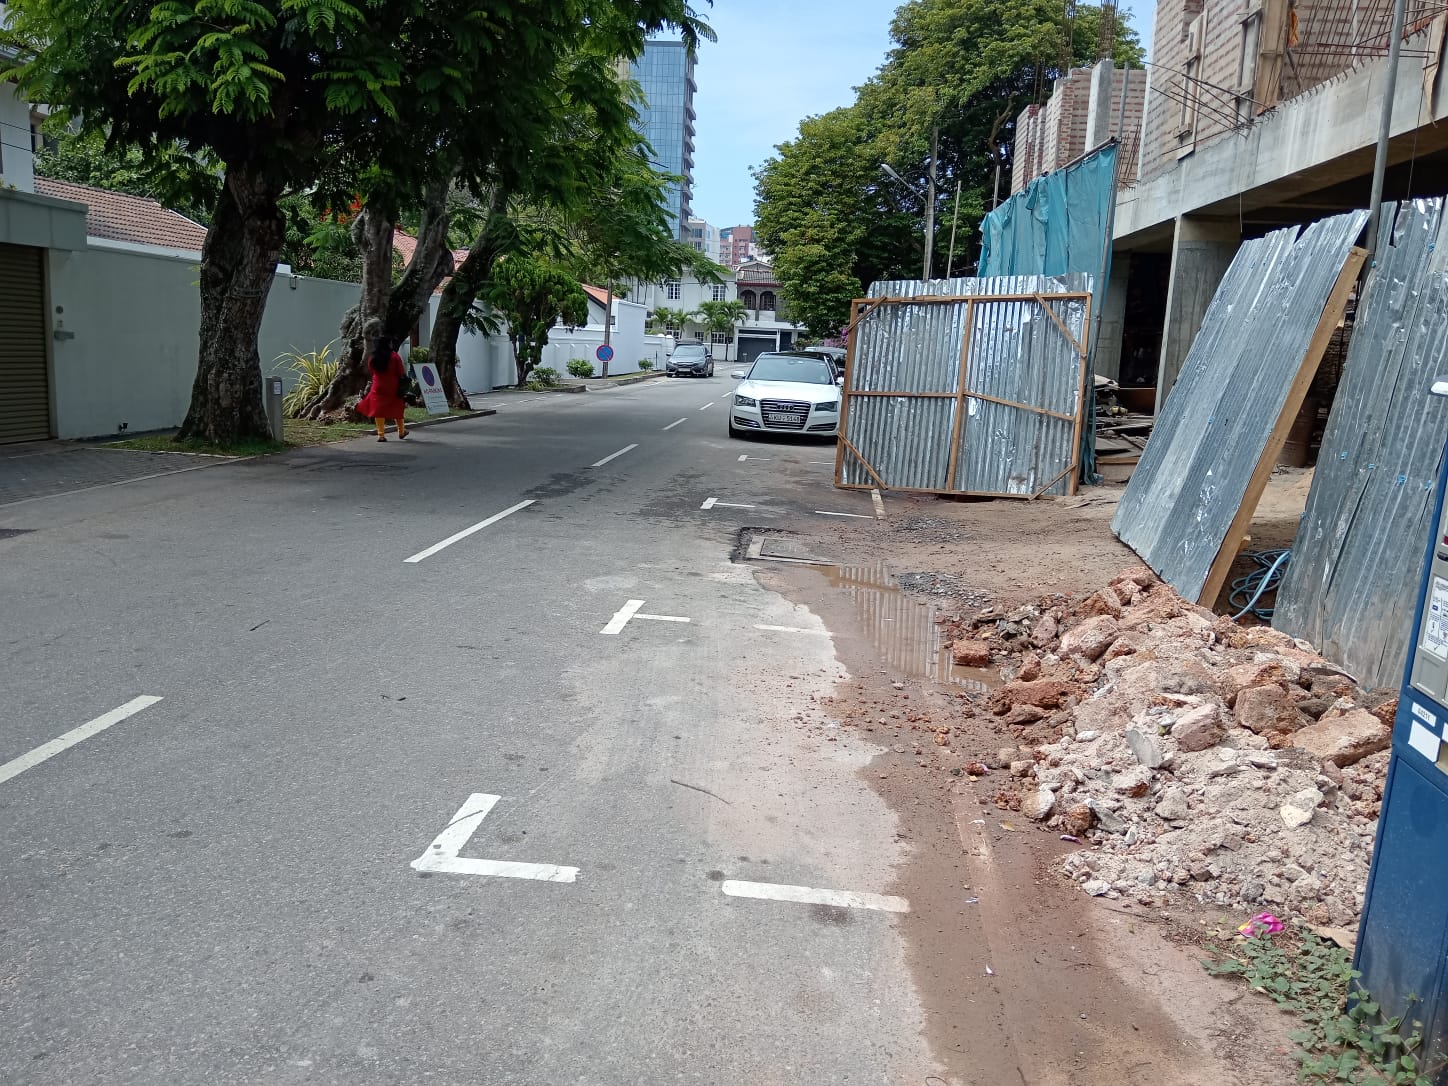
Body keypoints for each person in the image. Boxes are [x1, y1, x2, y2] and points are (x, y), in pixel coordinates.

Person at [357, 337, 409, 441]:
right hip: (393, 386)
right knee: (397, 408)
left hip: (378, 386)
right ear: (388, 344)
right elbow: (401, 372)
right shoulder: (394, 356)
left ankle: (381, 435)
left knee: (378, 410)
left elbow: (371, 369)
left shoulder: (373, 357)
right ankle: (401, 431)